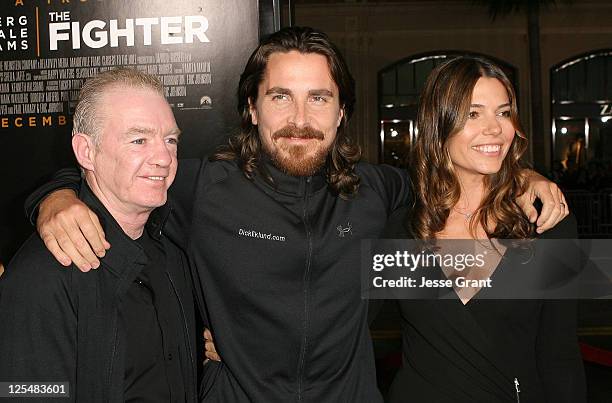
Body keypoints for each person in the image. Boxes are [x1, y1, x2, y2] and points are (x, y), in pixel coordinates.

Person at [27, 28, 567, 402]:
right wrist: (53, 199)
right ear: (253, 108)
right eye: (281, 97)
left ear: (341, 114)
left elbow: (456, 176)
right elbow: (121, 174)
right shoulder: (203, 188)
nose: (301, 119)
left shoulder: (379, 193)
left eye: (319, 98)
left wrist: (523, 176)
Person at [383, 57, 585, 402]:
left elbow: (560, 355)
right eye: (473, 114)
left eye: (504, 113)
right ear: (439, 125)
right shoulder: (400, 228)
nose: (495, 128)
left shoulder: (547, 223)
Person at [0, 68, 201, 402]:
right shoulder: (43, 277)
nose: (164, 158)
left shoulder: (172, 253)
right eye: (139, 140)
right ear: (86, 152)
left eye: (170, 140)